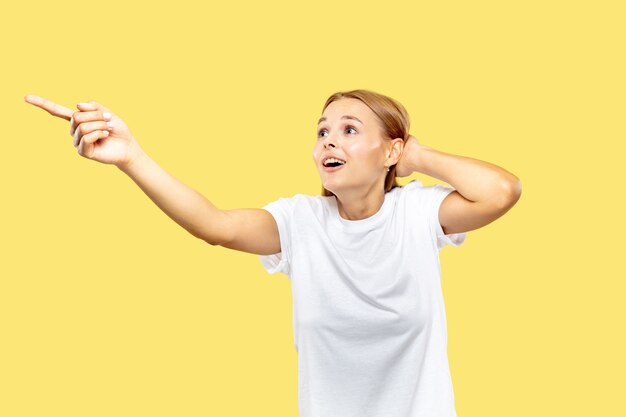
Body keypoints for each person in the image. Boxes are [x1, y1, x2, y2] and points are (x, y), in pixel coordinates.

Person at [24, 89, 522, 417]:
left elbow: (502, 190)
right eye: (323, 130)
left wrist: (412, 154)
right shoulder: (300, 222)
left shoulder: (416, 213)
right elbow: (214, 225)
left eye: (350, 130)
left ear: (389, 152)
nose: (328, 140)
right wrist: (131, 156)